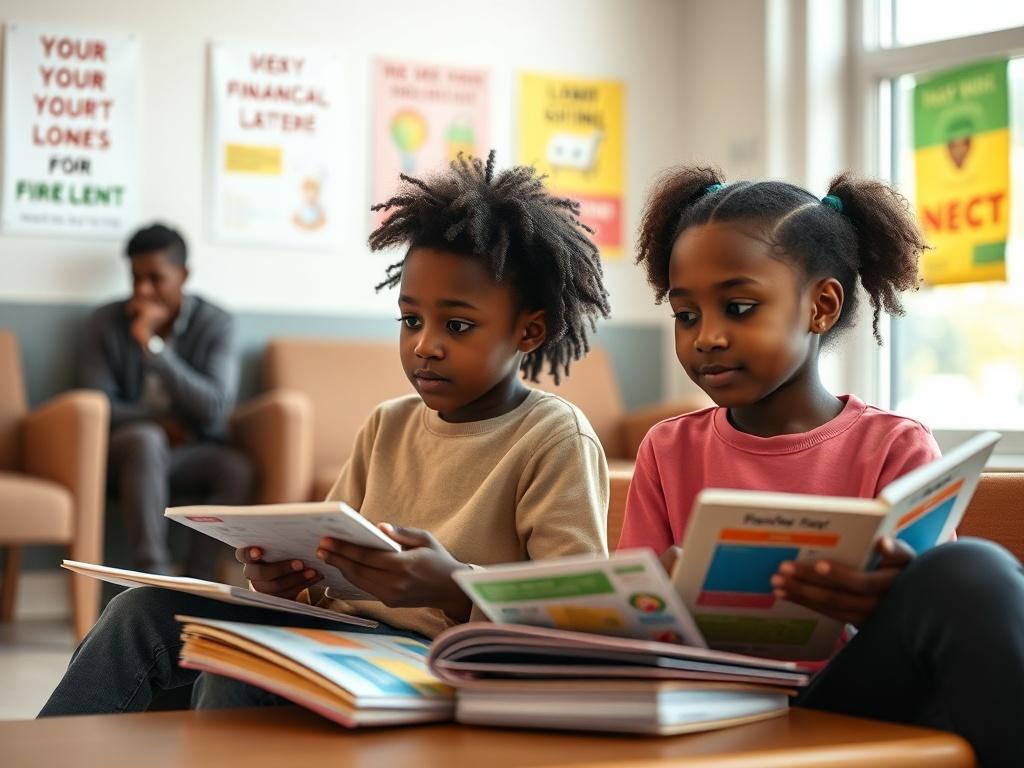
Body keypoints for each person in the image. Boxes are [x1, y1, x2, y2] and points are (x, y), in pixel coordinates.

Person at [40, 152, 612, 716]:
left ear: (529, 331)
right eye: (411, 319)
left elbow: (580, 613)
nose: (424, 345)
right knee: (140, 612)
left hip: (445, 664)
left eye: (456, 325)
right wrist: (285, 581)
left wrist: (456, 588)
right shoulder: (388, 424)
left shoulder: (553, 438)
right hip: (352, 638)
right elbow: (326, 579)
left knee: (239, 673)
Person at [619, 165, 1024, 767]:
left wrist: (886, 597)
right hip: (707, 704)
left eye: (737, 306)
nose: (705, 337)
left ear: (822, 307)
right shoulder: (666, 449)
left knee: (972, 570)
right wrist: (663, 599)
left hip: (854, 697)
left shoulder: (893, 445)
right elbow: (629, 624)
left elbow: (938, 616)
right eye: (686, 315)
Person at [80, 223, 250, 580]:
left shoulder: (216, 323)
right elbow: (98, 405)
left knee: (235, 469)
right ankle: (154, 579)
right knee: (146, 438)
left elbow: (215, 406)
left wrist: (154, 348)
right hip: (123, 452)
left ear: (183, 275)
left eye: (156, 278)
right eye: (136, 278)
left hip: (187, 451)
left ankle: (195, 585)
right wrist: (157, 421)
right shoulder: (106, 321)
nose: (143, 290)